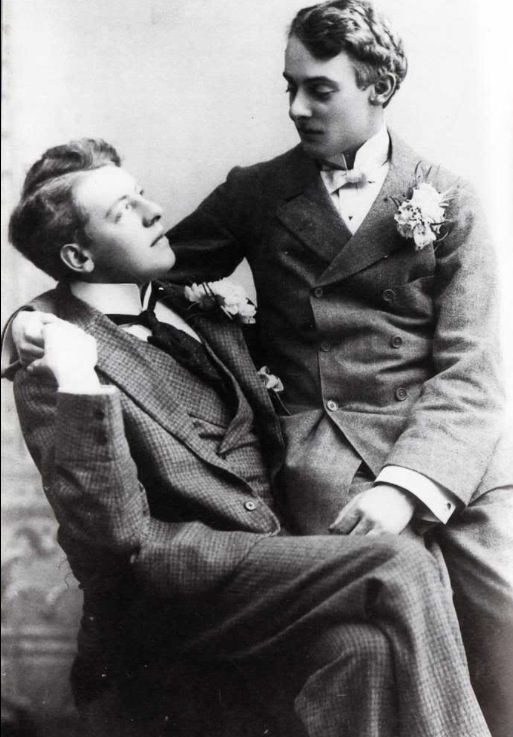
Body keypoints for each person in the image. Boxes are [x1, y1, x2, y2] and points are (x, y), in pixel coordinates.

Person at [2, 138, 493, 737]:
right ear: (78, 258)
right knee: (398, 562)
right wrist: (77, 376)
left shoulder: (196, 306)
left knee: (364, 648)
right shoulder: (54, 363)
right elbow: (114, 539)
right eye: (122, 211)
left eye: (140, 195)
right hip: (167, 593)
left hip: (265, 570)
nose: (155, 212)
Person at [162, 2, 513, 735]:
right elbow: (149, 267)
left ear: (376, 86)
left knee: (504, 609)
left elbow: (470, 372)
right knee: (389, 635)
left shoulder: (449, 202)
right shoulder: (257, 193)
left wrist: (408, 485)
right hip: (326, 451)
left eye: (319, 89)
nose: (295, 107)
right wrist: (45, 311)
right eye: (289, 86)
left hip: (452, 456)